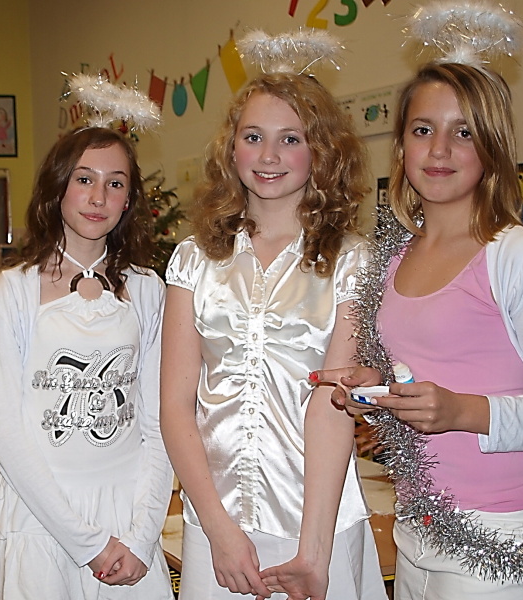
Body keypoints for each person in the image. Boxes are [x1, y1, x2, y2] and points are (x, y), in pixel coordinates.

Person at [315, 61, 523, 599]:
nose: (439, 149)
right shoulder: (393, 257)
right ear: (401, 146)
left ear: (491, 146)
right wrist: (376, 390)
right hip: (418, 523)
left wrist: (462, 412)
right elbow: (423, 377)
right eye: (423, 129)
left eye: (463, 132)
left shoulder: (515, 254)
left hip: (503, 536)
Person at [160, 70, 388, 600]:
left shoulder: (352, 261)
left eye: (290, 139)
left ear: (320, 150)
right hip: (215, 521)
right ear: (231, 146)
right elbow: (175, 406)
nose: (268, 155)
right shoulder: (194, 259)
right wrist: (218, 530)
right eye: (253, 136)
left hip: (316, 523)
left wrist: (314, 552)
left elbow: (332, 406)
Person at [0, 126, 173, 599]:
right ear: (58, 186)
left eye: (115, 183)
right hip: (42, 515)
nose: (98, 197)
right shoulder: (13, 291)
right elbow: (6, 435)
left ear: (128, 199)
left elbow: (158, 422)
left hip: (128, 519)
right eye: (84, 179)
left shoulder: (148, 288)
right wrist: (88, 543)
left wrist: (142, 534)